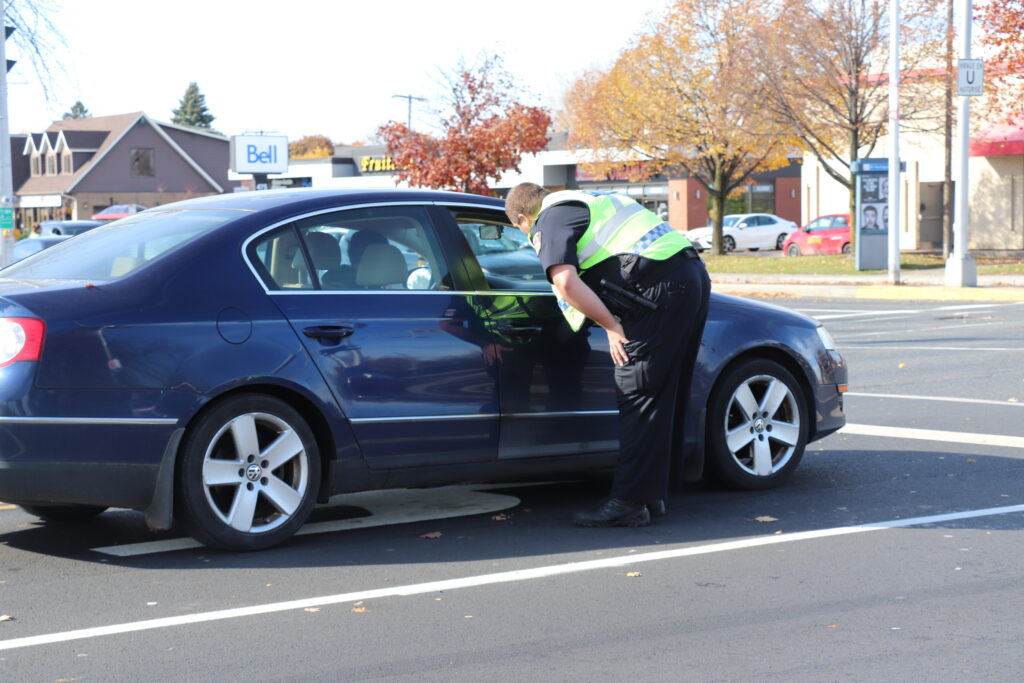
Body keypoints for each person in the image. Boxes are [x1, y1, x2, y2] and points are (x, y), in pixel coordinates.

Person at [505, 183, 711, 527]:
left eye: (523, 231)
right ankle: (651, 494)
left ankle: (628, 502)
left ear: (525, 218)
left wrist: (610, 324)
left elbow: (565, 281)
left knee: (637, 387)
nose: (529, 238)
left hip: (657, 290)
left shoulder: (549, 219)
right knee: (661, 393)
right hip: (687, 277)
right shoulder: (589, 201)